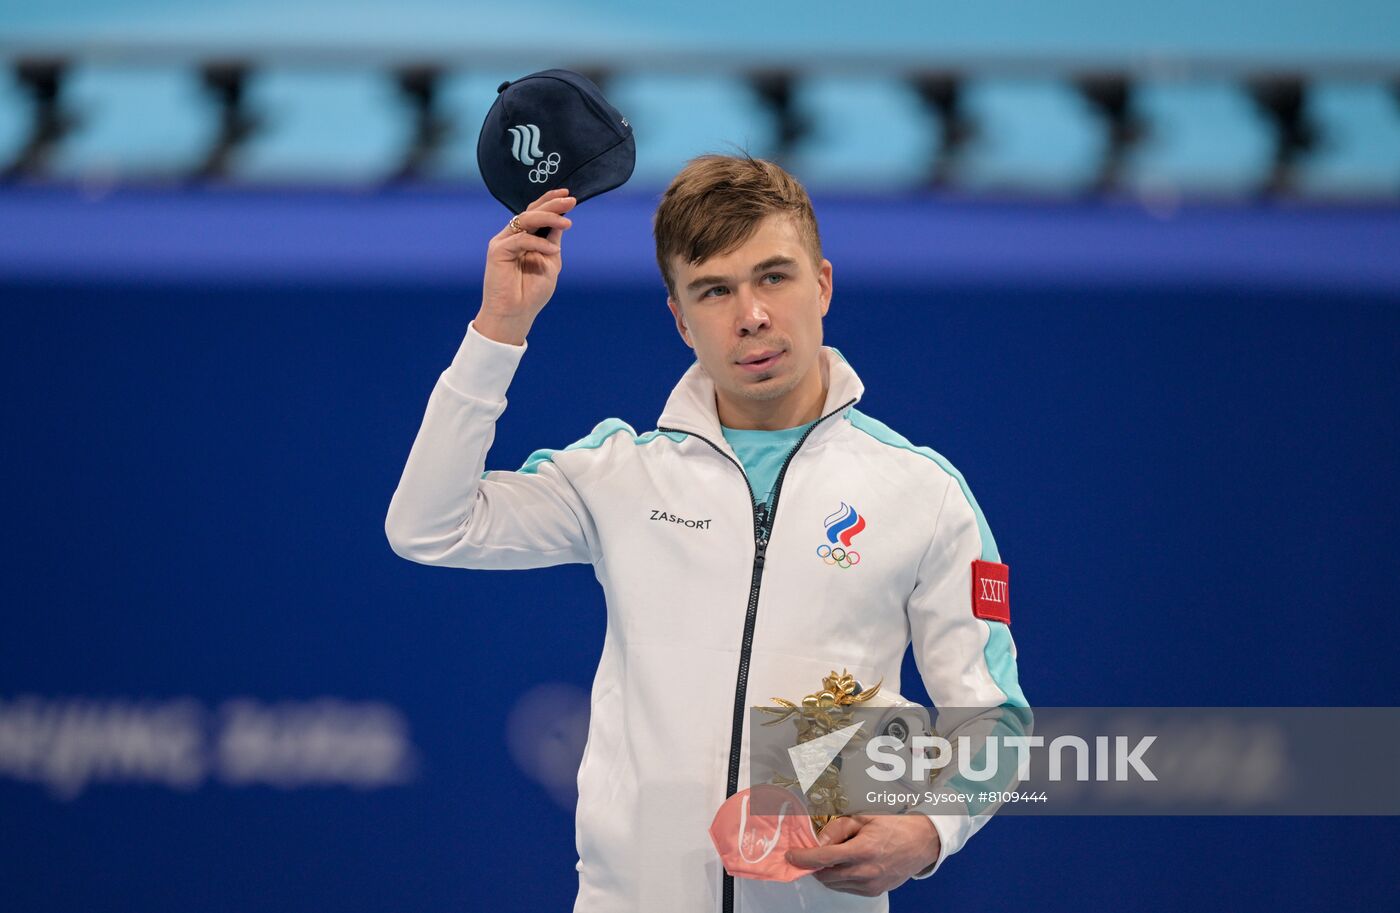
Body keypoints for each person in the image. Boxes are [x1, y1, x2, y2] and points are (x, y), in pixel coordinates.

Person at [385, 153, 1028, 913]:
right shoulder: (621, 475)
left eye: (774, 277)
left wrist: (930, 826)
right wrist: (501, 327)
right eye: (715, 290)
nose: (750, 314)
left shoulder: (924, 494)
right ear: (680, 318)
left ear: (822, 283)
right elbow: (428, 525)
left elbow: (995, 721)